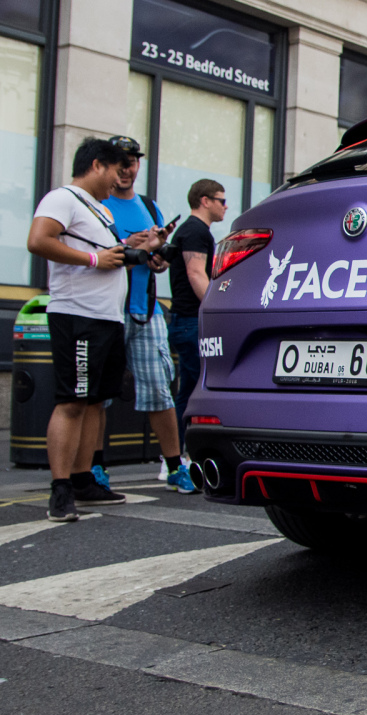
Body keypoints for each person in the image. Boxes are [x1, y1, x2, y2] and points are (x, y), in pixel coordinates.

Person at [25, 137, 157, 521]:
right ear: (97, 165)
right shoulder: (61, 198)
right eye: (117, 170)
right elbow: (38, 241)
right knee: (72, 401)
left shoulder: (98, 210)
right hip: (77, 315)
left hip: (107, 317)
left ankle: (84, 479)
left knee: (97, 400)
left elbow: (107, 257)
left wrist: (138, 253)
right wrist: (93, 258)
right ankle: (61, 488)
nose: (120, 179)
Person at [102, 137, 197, 493]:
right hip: (106, 310)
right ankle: (96, 469)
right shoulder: (97, 205)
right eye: (120, 162)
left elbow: (156, 263)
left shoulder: (148, 206)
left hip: (146, 311)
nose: (127, 169)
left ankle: (175, 466)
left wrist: (156, 253)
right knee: (99, 397)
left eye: (133, 161)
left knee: (160, 389)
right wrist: (131, 246)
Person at [169, 179, 227, 445]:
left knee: (188, 389)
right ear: (205, 201)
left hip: (186, 320)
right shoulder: (195, 231)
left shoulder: (194, 231)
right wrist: (214, 312)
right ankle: (184, 453)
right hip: (191, 321)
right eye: (221, 201)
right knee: (195, 390)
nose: (226, 207)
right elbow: (195, 274)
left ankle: (179, 452)